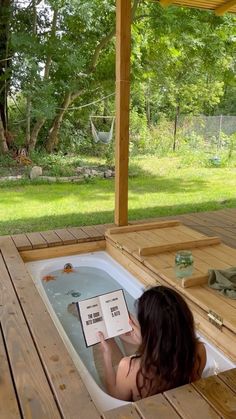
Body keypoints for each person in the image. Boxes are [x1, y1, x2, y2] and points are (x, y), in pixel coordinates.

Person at [95, 285, 206, 401]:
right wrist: (144, 342)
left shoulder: (128, 368)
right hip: (172, 402)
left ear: (149, 330)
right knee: (126, 340)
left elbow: (115, 396)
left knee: (105, 342)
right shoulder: (199, 351)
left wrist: (106, 355)